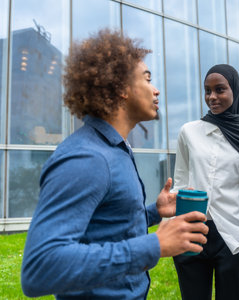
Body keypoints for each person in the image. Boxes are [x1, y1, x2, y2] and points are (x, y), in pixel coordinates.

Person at [21, 29, 209, 299]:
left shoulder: (116, 150)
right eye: (147, 79)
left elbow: (107, 230)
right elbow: (40, 268)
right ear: (121, 89)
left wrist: (154, 212)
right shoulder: (87, 158)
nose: (156, 90)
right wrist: (154, 245)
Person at [171, 64, 239, 300]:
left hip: (233, 237)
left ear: (235, 91)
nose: (212, 97)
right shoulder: (188, 132)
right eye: (207, 90)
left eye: (220, 89)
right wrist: (174, 224)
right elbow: (179, 183)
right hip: (191, 233)